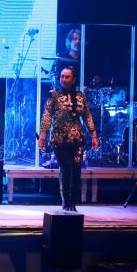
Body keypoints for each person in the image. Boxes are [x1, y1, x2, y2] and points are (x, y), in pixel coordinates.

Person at [38, 66, 99, 211]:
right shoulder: (53, 95)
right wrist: (42, 137)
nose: (63, 79)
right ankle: (65, 202)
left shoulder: (80, 96)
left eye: (67, 77)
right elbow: (47, 117)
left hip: (78, 140)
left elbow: (87, 116)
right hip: (60, 139)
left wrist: (94, 135)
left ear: (74, 79)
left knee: (76, 171)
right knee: (65, 169)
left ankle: (73, 202)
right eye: (62, 76)